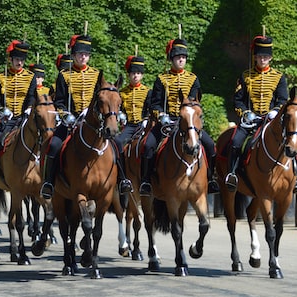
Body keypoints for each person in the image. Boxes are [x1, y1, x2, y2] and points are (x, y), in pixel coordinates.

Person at [40, 34, 133, 200]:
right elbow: (60, 101)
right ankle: (49, 182)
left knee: (118, 143)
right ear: (74, 55)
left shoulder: (97, 75)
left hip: (94, 120)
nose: (83, 57)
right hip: (71, 119)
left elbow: (103, 98)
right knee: (53, 145)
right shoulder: (64, 75)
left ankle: (123, 180)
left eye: (86, 54)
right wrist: (65, 115)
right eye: (80, 54)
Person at [225, 35, 297, 193]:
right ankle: (232, 174)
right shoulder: (245, 76)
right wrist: (246, 113)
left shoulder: (278, 77)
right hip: (251, 120)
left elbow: (282, 99)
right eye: (260, 56)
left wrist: (276, 111)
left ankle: (296, 178)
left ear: (270, 58)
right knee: (235, 142)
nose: (263, 59)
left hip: (272, 120)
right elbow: (238, 100)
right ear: (255, 57)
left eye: (266, 56)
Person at [149, 38, 219, 195]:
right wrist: (161, 115)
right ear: (171, 59)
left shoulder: (193, 79)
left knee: (210, 146)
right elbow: (155, 103)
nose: (181, 59)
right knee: (148, 146)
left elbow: (195, 103)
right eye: (177, 57)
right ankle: (147, 181)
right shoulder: (162, 79)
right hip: (167, 121)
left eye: (183, 57)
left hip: (188, 122)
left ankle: (210, 179)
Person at [0, 40, 37, 191]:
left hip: (24, 118)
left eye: (22, 60)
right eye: (17, 59)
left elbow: (31, 96)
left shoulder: (30, 77)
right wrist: (0, 109)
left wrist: (29, 108)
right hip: (6, 120)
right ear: (10, 60)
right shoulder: (0, 77)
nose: (19, 63)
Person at [114, 55, 152, 196]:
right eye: (133, 73)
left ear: (141, 75)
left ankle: (148, 177)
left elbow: (150, 109)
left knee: (150, 146)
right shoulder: (122, 92)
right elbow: (118, 109)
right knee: (117, 142)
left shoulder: (147, 91)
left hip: (143, 125)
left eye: (138, 73)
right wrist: (120, 115)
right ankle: (122, 178)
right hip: (129, 126)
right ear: (129, 75)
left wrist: (147, 119)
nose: (135, 76)